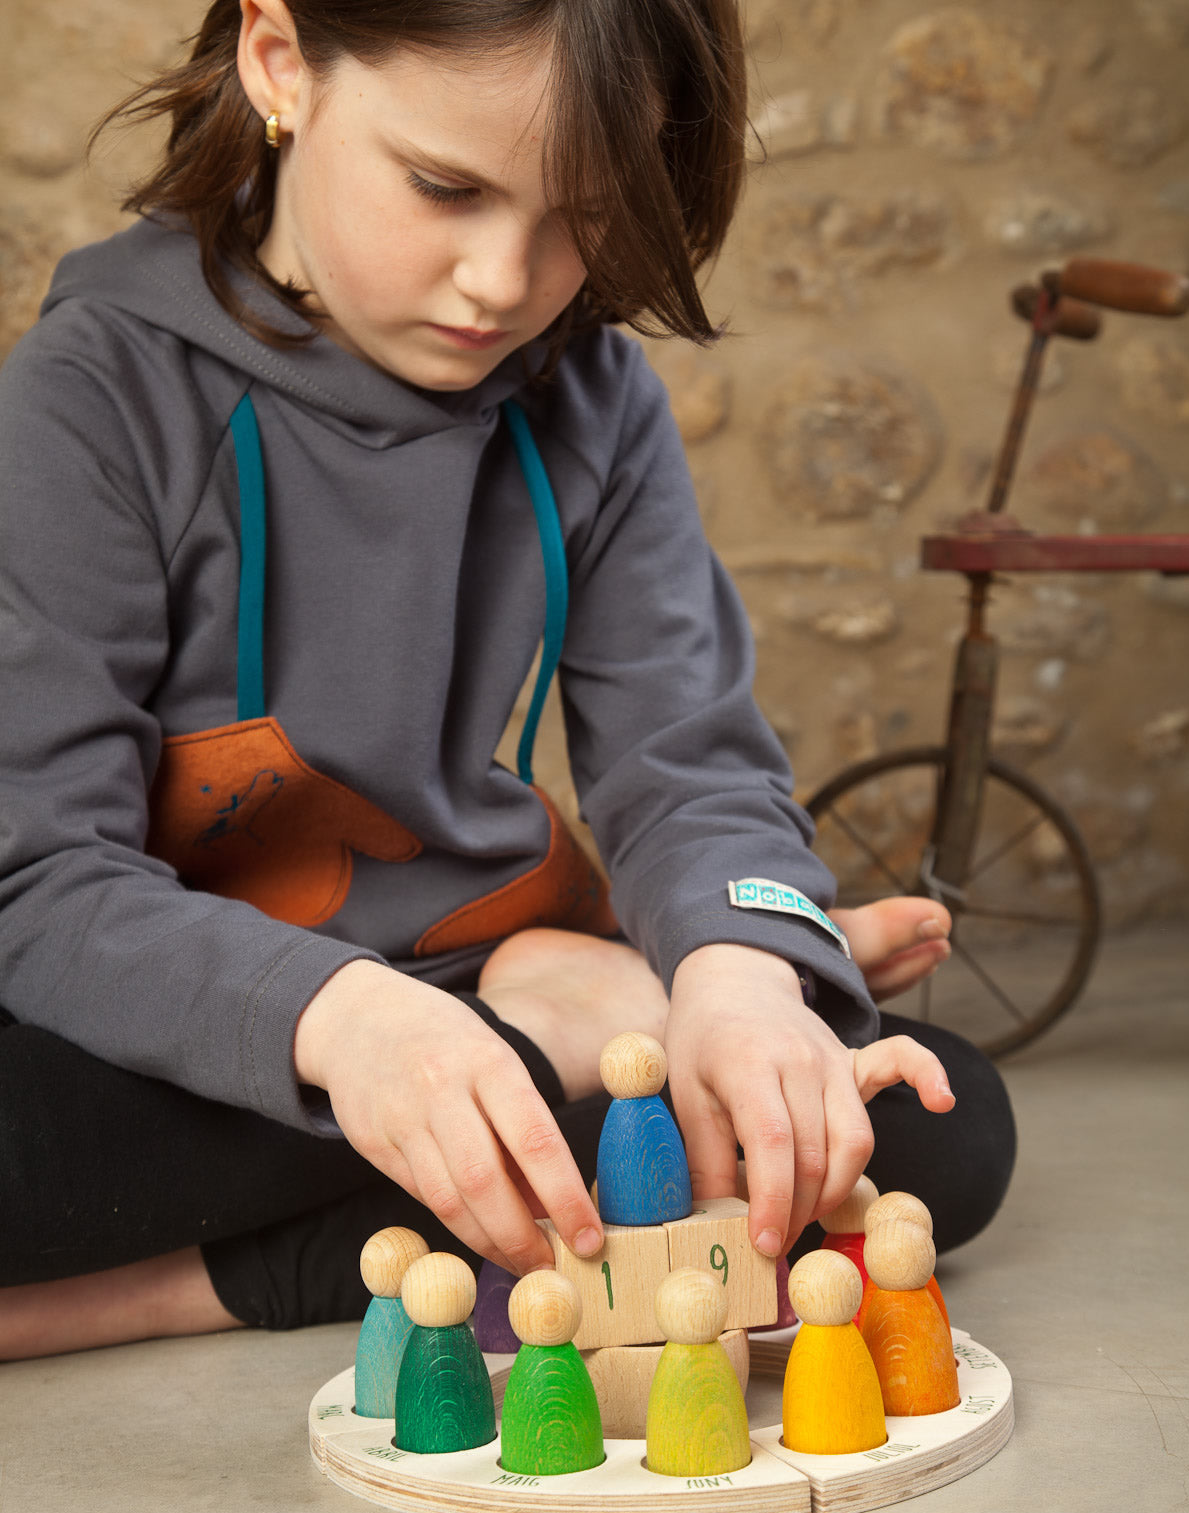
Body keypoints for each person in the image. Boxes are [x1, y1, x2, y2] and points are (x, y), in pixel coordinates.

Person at [0, 0, 1014, 1361]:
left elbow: (689, 765)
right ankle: (559, 1022)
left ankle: (174, 1283)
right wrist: (357, 1022)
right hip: (170, 1023)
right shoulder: (93, 392)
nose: (502, 279)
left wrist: (737, 971)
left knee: (925, 1126)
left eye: (580, 213)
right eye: (446, 188)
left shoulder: (599, 399)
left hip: (470, 977)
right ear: (279, 60)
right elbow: (39, 878)